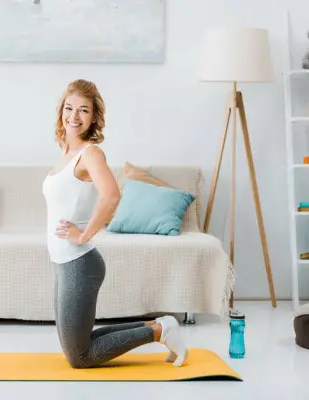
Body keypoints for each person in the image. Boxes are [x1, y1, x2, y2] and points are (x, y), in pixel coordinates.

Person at [42, 79, 188, 369]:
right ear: (61, 111)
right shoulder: (66, 155)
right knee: (77, 345)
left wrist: (83, 236)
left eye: (83, 110)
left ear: (94, 117)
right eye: (69, 108)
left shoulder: (90, 153)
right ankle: (159, 325)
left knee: (79, 357)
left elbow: (111, 195)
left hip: (79, 261)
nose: (74, 116)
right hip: (63, 261)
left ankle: (158, 332)